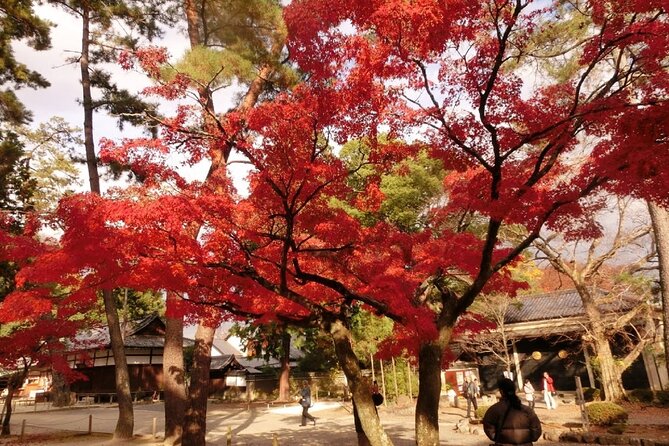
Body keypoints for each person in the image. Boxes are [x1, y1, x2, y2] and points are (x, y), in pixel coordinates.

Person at [483, 378, 542, 446]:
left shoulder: (494, 410)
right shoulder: (527, 410)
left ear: (501, 391)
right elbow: (536, 430)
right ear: (515, 390)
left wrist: (498, 437)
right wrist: (527, 439)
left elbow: (488, 428)